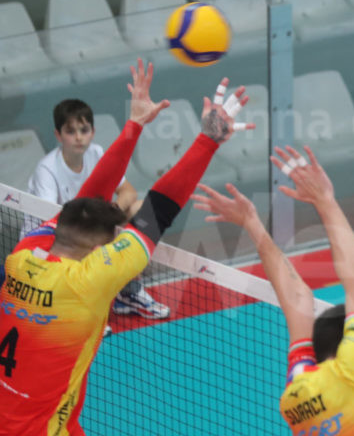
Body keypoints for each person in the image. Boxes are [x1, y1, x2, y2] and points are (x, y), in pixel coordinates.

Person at [0, 58, 253, 436]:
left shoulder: (23, 255)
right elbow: (158, 210)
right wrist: (208, 139)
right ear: (96, 251)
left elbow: (86, 204)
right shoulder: (88, 280)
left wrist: (134, 125)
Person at [192, 145, 354, 435]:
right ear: (349, 346)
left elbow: (296, 298)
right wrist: (325, 201)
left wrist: (251, 223)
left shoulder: (297, 394)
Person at [26, 98, 168, 325]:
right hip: (46, 242)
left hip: (84, 229)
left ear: (93, 132)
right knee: (87, 238)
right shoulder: (47, 170)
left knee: (142, 209)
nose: (78, 137)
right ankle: (82, 309)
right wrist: (96, 223)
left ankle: (128, 292)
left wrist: (107, 216)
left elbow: (128, 192)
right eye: (70, 131)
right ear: (58, 135)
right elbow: (51, 222)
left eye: (84, 130)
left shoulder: (97, 153)